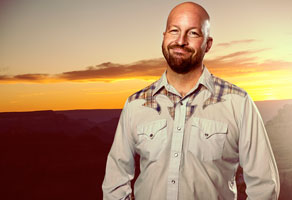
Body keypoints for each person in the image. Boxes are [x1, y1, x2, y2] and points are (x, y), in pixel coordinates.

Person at [102, 2, 280, 200]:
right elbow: (115, 182)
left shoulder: (238, 103)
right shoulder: (136, 104)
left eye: (193, 33)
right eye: (174, 31)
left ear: (208, 44)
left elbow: (264, 186)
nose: (180, 41)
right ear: (164, 37)